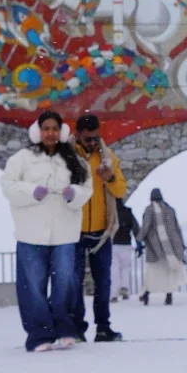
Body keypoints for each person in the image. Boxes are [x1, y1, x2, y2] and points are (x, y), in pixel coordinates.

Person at [0, 109, 92, 352]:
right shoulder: (22, 158)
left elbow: (87, 188)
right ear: (38, 131)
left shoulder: (75, 160)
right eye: (45, 128)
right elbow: (7, 185)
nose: (50, 133)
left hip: (65, 233)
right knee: (33, 285)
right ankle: (40, 334)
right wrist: (31, 192)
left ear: (61, 132)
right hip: (30, 233)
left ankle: (65, 328)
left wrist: (76, 194)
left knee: (65, 282)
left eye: (54, 128)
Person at [71, 114, 126, 341]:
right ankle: (76, 329)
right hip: (73, 230)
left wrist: (110, 178)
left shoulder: (107, 157)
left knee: (103, 283)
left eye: (96, 138)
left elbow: (121, 190)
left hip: (102, 231)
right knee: (73, 283)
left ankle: (103, 327)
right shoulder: (67, 157)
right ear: (78, 136)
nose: (93, 143)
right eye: (88, 139)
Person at [137, 188, 187, 305]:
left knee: (152, 273)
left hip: (156, 248)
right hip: (172, 247)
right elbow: (176, 228)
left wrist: (139, 240)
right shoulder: (170, 210)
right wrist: (181, 244)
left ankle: (146, 295)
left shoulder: (149, 210)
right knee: (169, 272)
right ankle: (169, 296)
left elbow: (146, 227)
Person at [111, 198, 141, 302]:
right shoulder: (128, 212)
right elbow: (136, 228)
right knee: (125, 268)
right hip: (126, 244)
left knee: (114, 269)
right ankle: (125, 288)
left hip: (113, 244)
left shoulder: (111, 212)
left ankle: (114, 293)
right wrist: (138, 242)